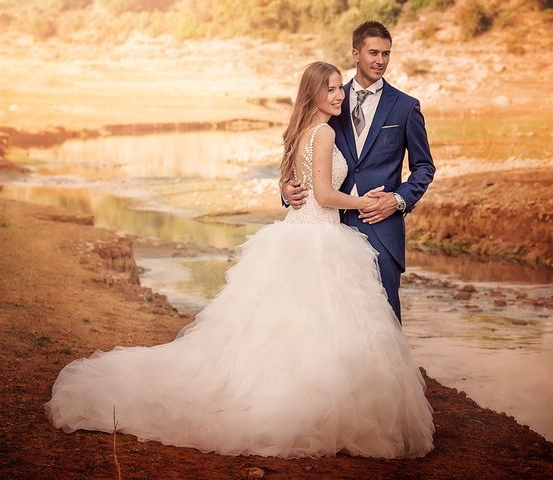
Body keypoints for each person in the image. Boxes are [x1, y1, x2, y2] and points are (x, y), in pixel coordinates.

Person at [45, 61, 435, 459]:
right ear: (314, 93)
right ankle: (303, 404)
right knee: (315, 324)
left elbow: (308, 179)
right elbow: (322, 193)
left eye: (339, 89)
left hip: (304, 232)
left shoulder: (311, 129)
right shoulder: (321, 133)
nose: (339, 95)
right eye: (332, 89)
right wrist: (364, 202)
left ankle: (297, 395)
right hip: (319, 234)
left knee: (289, 326)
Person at [282, 21, 436, 322]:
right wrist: (288, 189)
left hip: (382, 227)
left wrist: (398, 200)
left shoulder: (405, 107)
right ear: (356, 54)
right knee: (329, 320)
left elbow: (424, 167)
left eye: (386, 54)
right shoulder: (331, 100)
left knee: (384, 319)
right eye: (373, 53)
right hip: (329, 229)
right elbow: (303, 152)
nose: (380, 61)